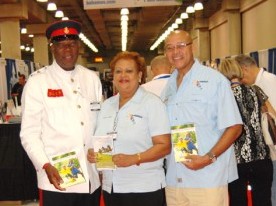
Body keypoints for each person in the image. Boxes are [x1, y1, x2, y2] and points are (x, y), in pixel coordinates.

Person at [20, 20, 102, 206]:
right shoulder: (37, 82)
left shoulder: (91, 79)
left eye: (72, 44)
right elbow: (29, 133)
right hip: (57, 177)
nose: (68, 50)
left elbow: (99, 122)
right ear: (52, 48)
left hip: (91, 176)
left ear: (79, 47)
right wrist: (44, 165)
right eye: (61, 45)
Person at [161, 30, 243, 206]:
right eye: (170, 48)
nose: (175, 52)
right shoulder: (168, 86)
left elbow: (235, 126)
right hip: (175, 179)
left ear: (193, 47)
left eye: (181, 46)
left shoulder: (215, 81)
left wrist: (208, 158)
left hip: (207, 180)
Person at [87, 51, 171, 206]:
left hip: (143, 189)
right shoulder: (106, 106)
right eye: (118, 71)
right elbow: (100, 140)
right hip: (111, 188)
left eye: (129, 71)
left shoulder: (151, 103)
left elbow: (164, 146)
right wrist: (93, 154)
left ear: (139, 75)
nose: (123, 75)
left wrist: (134, 158)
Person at [218, 58, 274, 206]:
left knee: (238, 201)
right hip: (262, 157)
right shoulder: (256, 90)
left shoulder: (223, 96)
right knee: (263, 201)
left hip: (236, 161)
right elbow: (272, 115)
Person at [235, 54, 276, 205]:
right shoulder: (261, 83)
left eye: (240, 76)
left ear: (244, 69)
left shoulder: (268, 82)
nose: (240, 81)